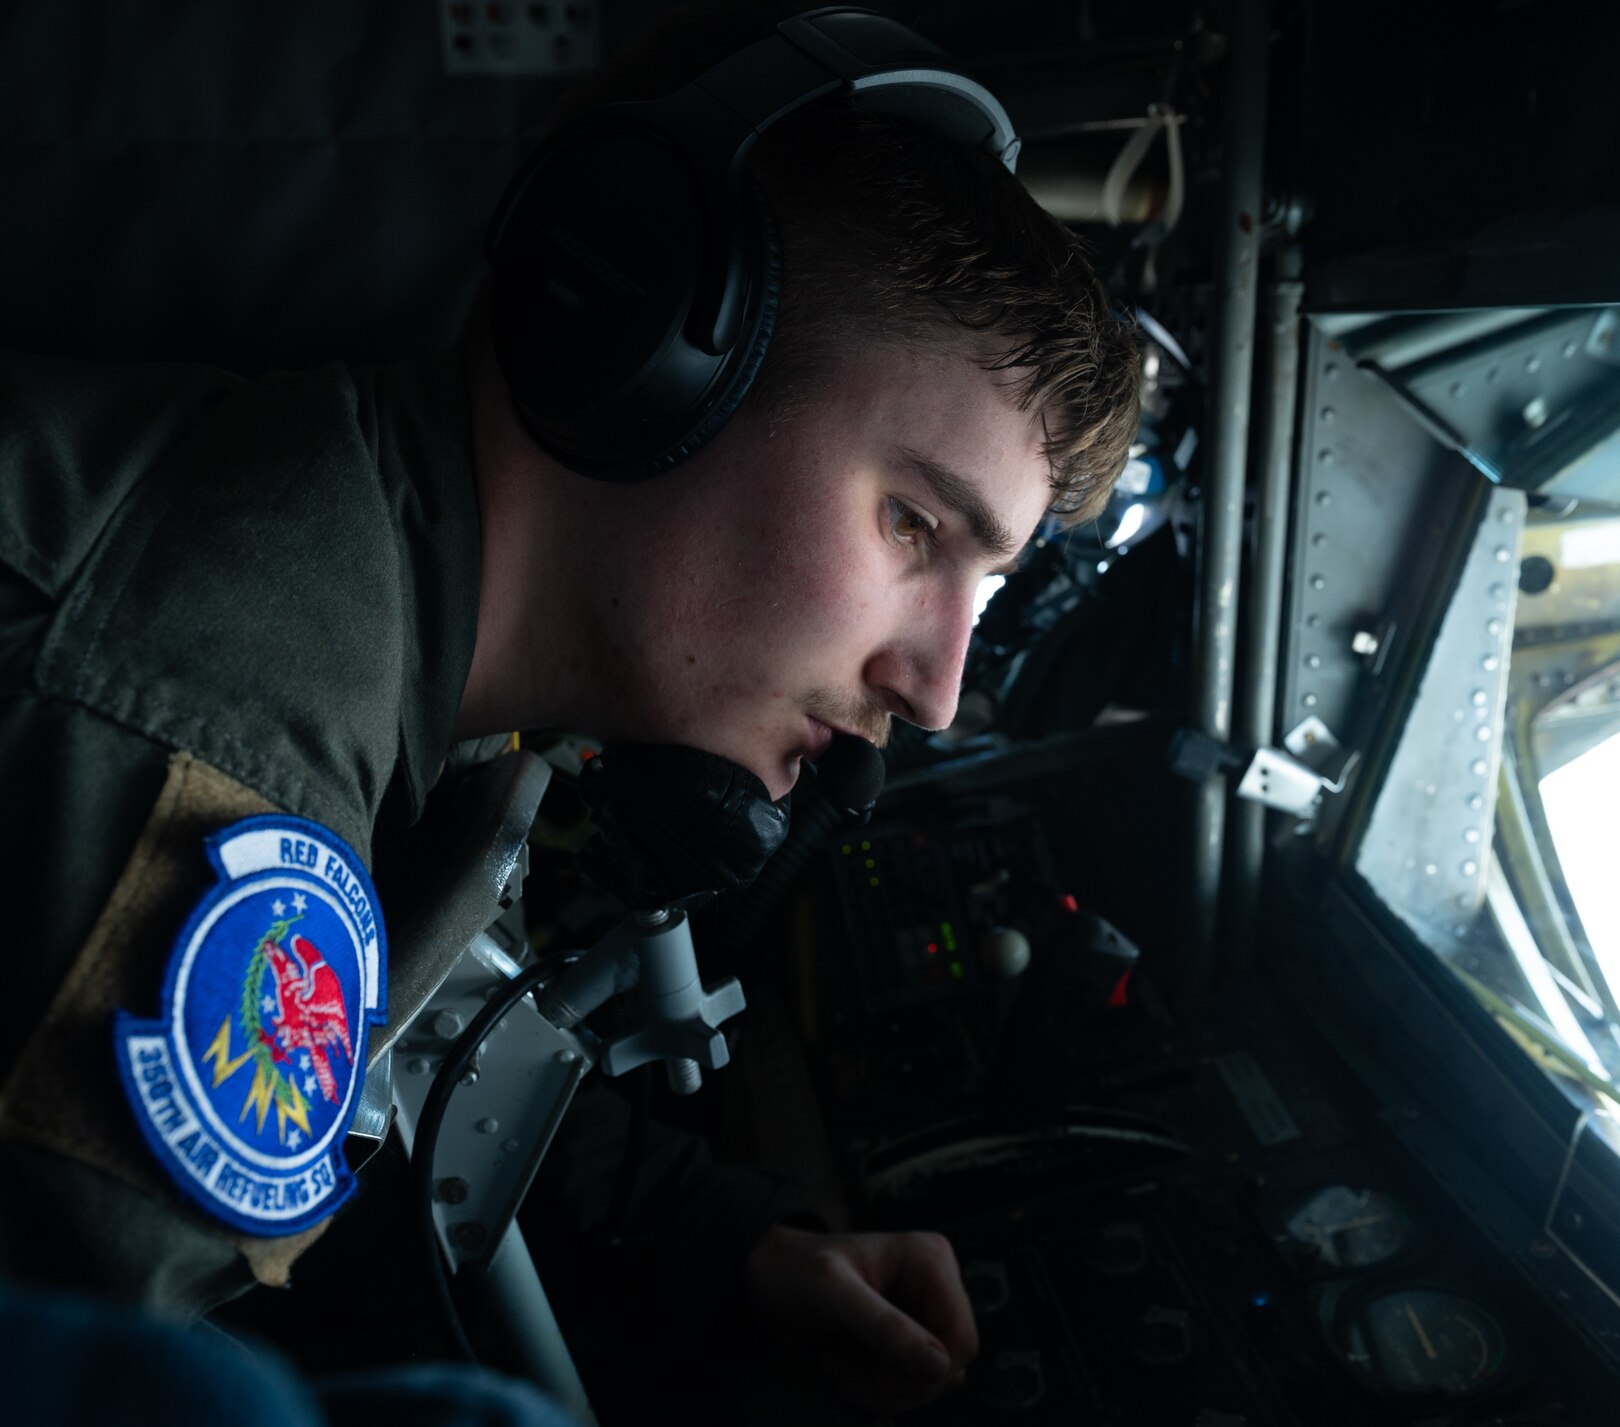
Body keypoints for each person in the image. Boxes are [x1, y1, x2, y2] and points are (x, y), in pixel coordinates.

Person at [0, 1, 1140, 1419]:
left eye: (985, 586)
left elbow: (392, 1038)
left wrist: (730, 1240)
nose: (939, 691)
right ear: (651, 353)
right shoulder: (231, 722)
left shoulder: (416, 638)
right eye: (912, 523)